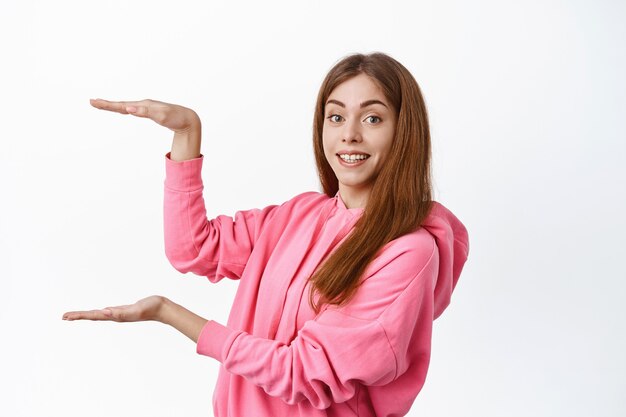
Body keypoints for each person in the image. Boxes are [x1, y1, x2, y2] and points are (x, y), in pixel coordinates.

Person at [63, 52, 470, 417]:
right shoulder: (299, 214)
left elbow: (301, 371)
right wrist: (187, 134)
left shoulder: (408, 253)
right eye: (335, 116)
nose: (349, 134)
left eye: (372, 118)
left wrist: (170, 314)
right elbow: (193, 249)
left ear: (404, 132)